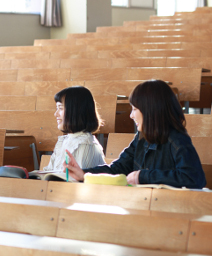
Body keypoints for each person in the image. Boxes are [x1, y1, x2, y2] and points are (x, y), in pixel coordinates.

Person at [65, 79, 206, 189]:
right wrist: (84, 174)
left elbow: (194, 178)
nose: (131, 116)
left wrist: (143, 176)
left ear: (151, 111)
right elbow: (117, 169)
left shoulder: (177, 139)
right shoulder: (141, 138)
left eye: (135, 109)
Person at [43, 86, 105, 172]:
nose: (55, 114)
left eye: (60, 108)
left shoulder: (85, 144)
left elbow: (79, 181)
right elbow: (48, 171)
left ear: (75, 111)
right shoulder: (64, 140)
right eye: (57, 108)